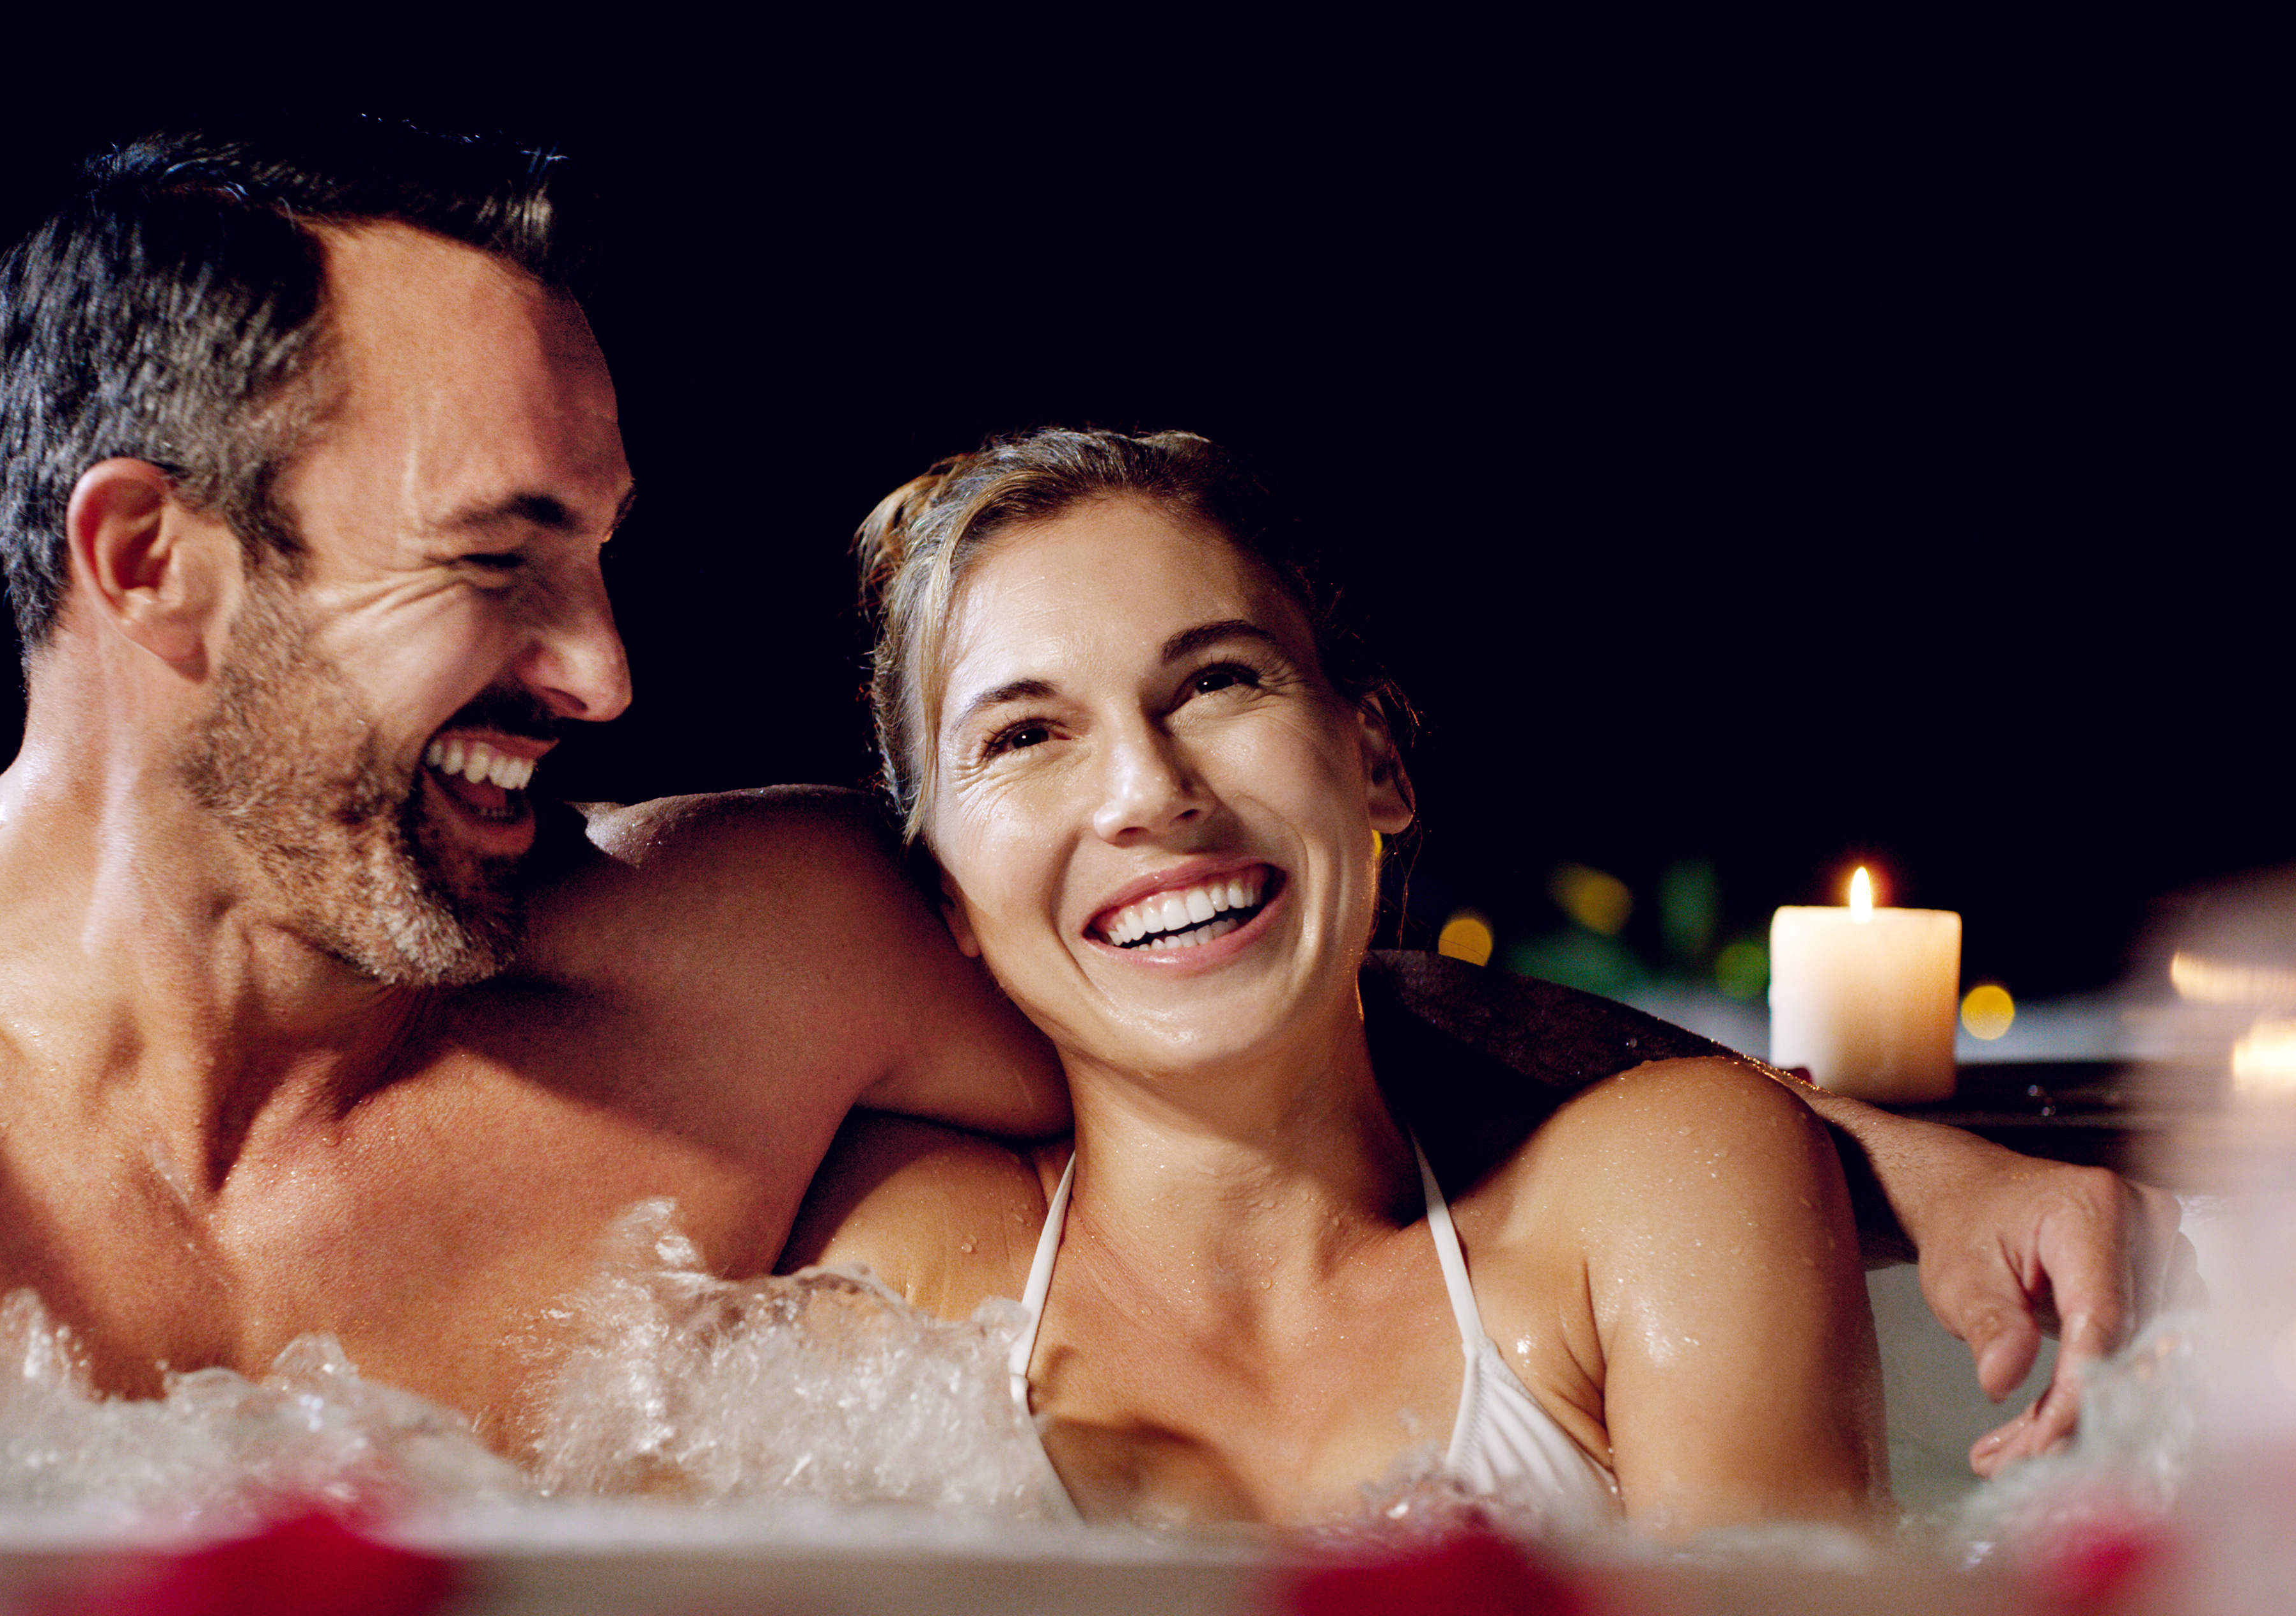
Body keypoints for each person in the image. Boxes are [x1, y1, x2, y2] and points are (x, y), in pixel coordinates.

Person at [0, 127, 2164, 1541]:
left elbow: (1236, 980)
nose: (608, 677)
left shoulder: (738, 957)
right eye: (504, 570)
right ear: (152, 564)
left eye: (606, 562)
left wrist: (1837, 1138)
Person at [788, 430, 1882, 1531]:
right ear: (948, 899)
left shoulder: (1655, 1198)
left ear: (1376, 763)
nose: (1147, 790)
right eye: (1025, 735)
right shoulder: (903, 1265)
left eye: (1216, 681)